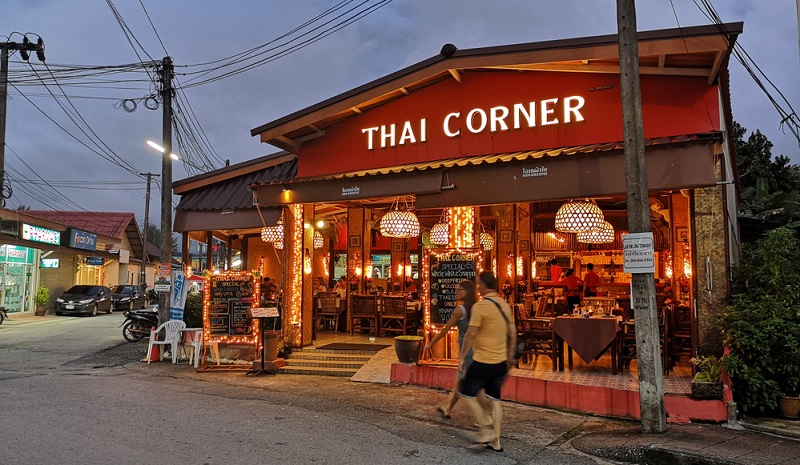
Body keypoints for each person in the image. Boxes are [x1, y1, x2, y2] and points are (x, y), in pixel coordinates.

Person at [458, 271, 515, 452]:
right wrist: (511, 355)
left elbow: (471, 334)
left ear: (482, 285)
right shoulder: (505, 305)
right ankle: (496, 442)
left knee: (465, 391)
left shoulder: (481, 307)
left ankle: (486, 427)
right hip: (501, 361)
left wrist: (461, 356)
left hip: (483, 360)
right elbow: (513, 333)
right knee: (495, 399)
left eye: (478, 284)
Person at [424, 279, 482, 419]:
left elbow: (445, 329)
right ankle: (448, 409)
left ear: (466, 292)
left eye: (459, 290)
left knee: (468, 383)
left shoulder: (459, 310)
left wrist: (431, 343)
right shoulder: (477, 307)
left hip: (466, 350)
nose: (456, 292)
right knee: (460, 381)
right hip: (477, 347)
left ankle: (485, 417)